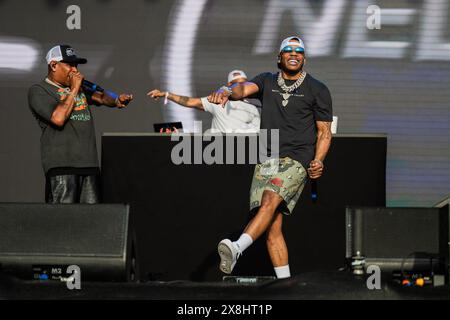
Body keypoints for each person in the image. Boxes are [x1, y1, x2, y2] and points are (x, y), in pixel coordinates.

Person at [208, 36, 333, 279]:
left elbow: (324, 132)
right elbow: (242, 89)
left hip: (297, 158)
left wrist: (318, 160)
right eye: (288, 50)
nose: (293, 54)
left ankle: (237, 248)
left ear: (304, 58)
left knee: (269, 198)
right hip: (266, 157)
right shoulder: (266, 80)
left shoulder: (318, 89)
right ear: (279, 57)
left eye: (298, 51)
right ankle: (285, 285)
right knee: (272, 227)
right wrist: (225, 90)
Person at [28, 45, 133, 204]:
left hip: (89, 165)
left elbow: (101, 97)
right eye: (69, 65)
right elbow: (58, 118)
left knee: (90, 221)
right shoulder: (39, 90)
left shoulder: (79, 88)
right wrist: (75, 88)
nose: (74, 70)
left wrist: (117, 99)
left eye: (76, 65)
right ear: (54, 65)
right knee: (63, 221)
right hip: (62, 167)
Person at [147, 70, 260, 133]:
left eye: (243, 83)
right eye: (236, 83)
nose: (239, 86)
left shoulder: (253, 108)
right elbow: (190, 101)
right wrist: (166, 94)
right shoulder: (218, 101)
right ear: (229, 85)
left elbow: (257, 134)